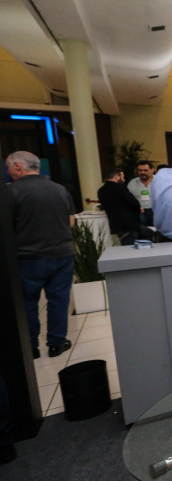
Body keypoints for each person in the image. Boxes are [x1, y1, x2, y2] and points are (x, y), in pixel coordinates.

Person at [6, 151, 75, 359]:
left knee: (27, 302)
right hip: (62, 254)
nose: (8, 171)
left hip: (27, 256)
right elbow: (71, 221)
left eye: (8, 167)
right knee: (59, 300)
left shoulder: (10, 192)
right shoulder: (60, 189)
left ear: (18, 166)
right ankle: (56, 342)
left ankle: (30, 347)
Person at [98, 167, 150, 245]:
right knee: (131, 244)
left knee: (145, 233)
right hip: (128, 224)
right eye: (122, 177)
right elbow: (133, 202)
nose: (124, 179)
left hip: (115, 224)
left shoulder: (101, 191)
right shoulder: (120, 187)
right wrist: (138, 209)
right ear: (116, 177)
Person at [127, 160, 155, 226]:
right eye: (140, 170)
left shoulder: (160, 181)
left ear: (152, 170)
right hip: (140, 212)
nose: (142, 172)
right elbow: (128, 198)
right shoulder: (132, 183)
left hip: (156, 212)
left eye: (145, 170)